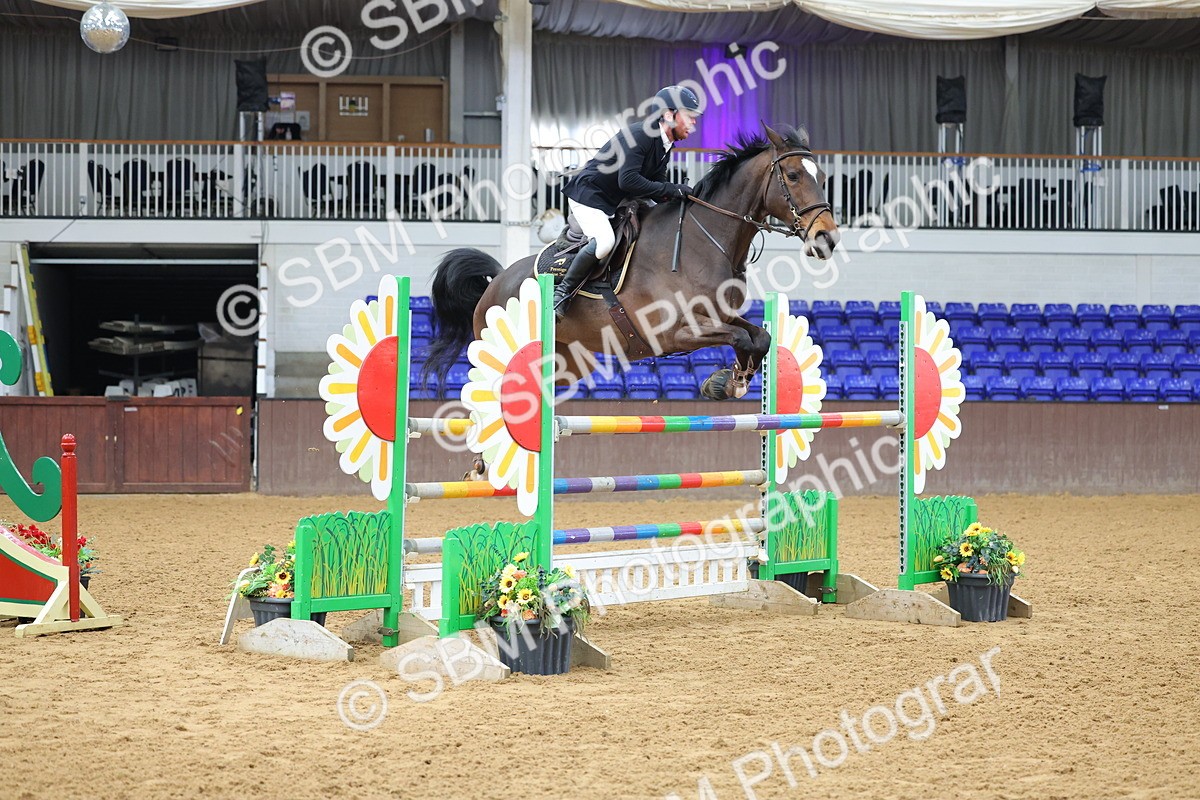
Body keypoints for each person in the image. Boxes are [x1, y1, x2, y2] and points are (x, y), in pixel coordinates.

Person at [554, 85, 703, 320]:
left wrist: (680, 196)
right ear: (668, 115)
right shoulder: (641, 135)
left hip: (615, 200)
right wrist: (672, 189)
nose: (693, 122)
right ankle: (561, 294)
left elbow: (656, 184)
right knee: (604, 243)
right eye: (689, 115)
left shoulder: (665, 144)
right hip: (589, 196)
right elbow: (629, 180)